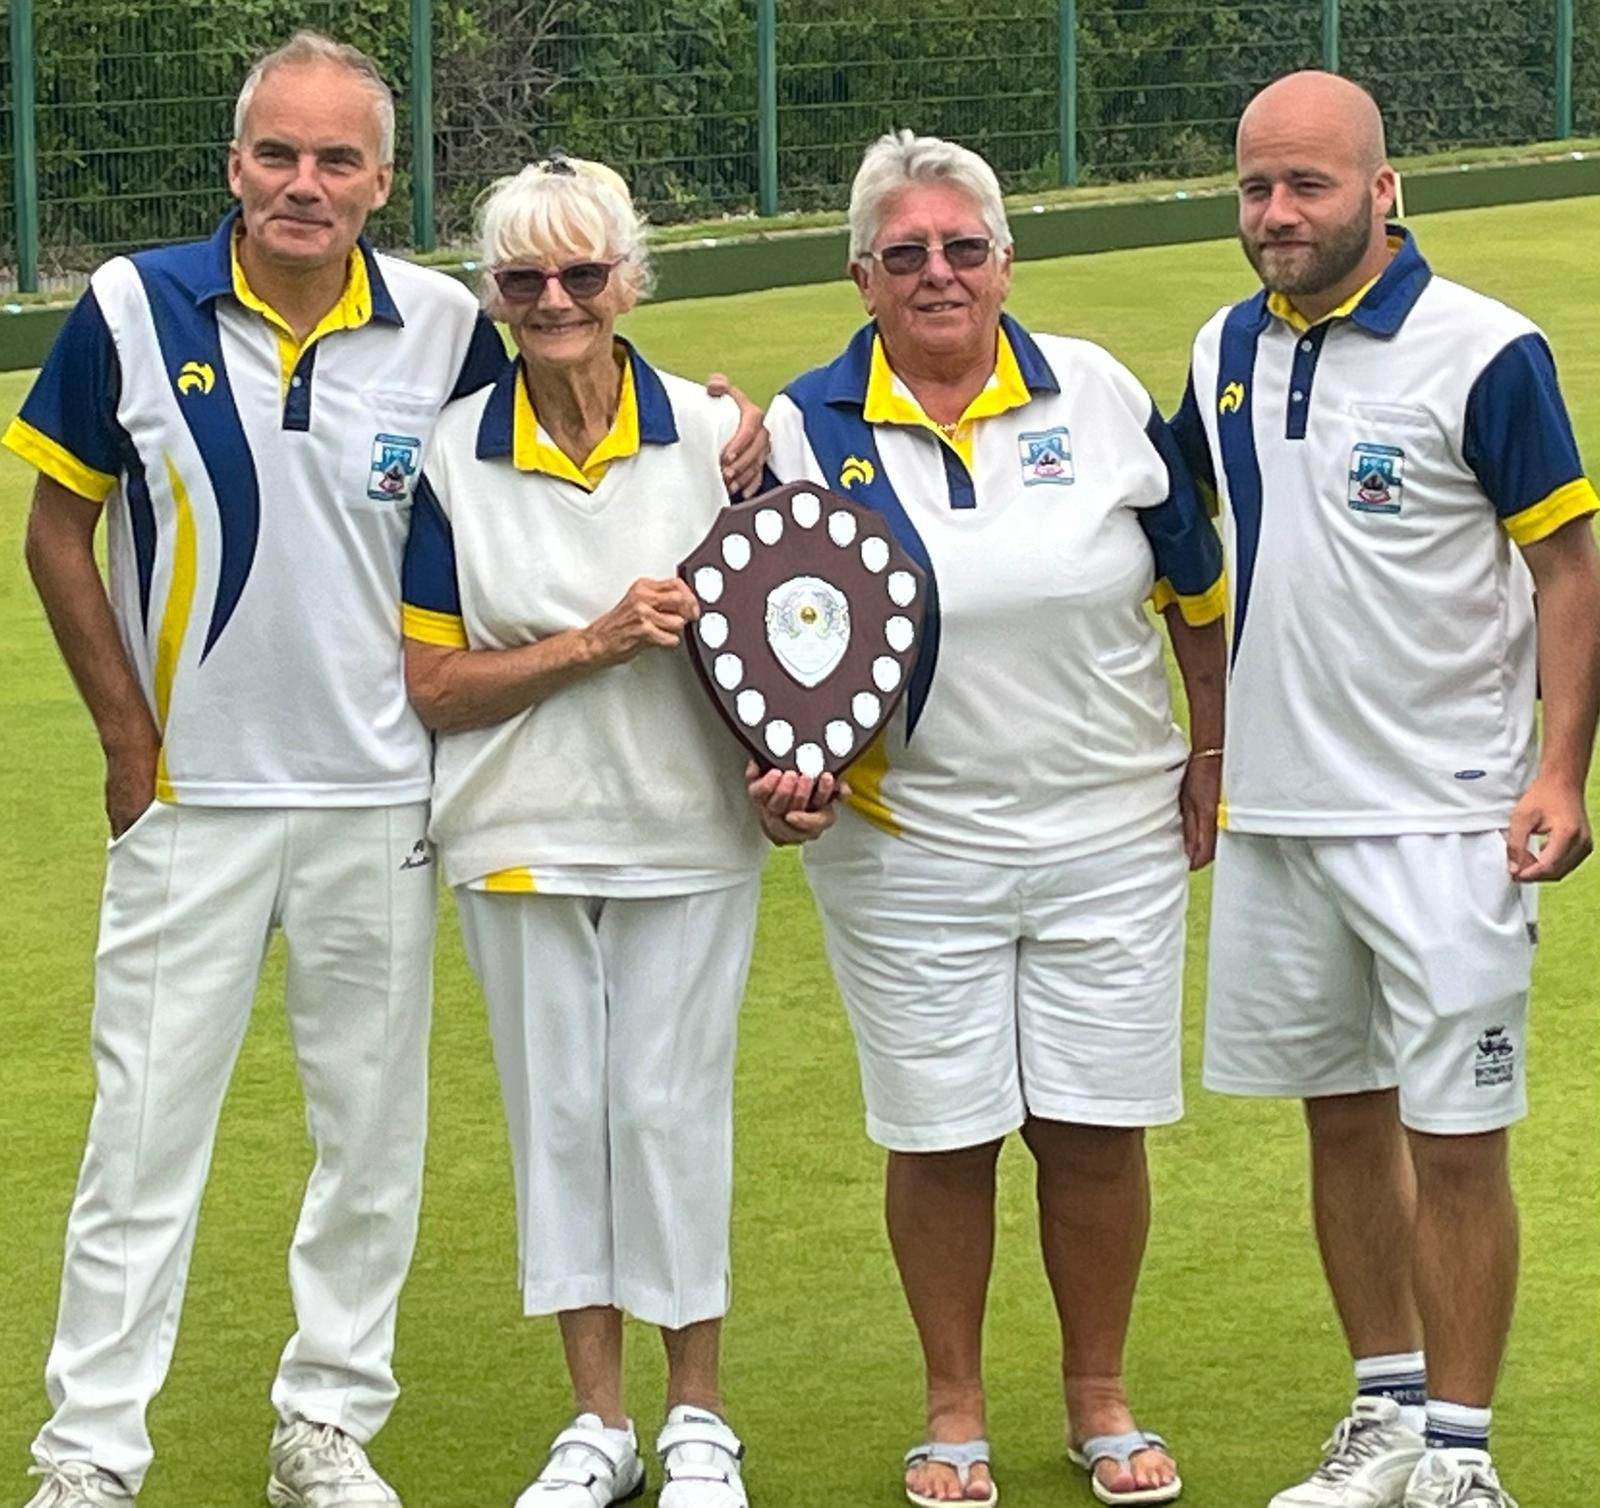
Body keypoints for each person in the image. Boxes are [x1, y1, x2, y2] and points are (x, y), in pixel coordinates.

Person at [4, 36, 766, 1508]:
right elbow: (57, 528)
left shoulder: (441, 325)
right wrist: (125, 738)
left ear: (383, 180)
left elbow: (580, 377)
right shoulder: (125, 306)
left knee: (370, 1140)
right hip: (197, 800)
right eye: (277, 155)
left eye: (337, 159)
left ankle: (326, 1423)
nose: (304, 184)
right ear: (234, 164)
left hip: (385, 798)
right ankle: (92, 1451)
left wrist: (729, 437)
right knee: (143, 1133)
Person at [764, 130, 1228, 1508]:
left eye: (963, 248)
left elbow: (1196, 593)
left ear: (1006, 260)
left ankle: (1100, 1398)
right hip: (908, 846)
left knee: (1093, 1128)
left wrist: (1215, 749)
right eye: (904, 254)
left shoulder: (1094, 392)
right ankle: (951, 1409)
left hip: (1111, 833)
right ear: (861, 276)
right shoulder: (801, 427)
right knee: (943, 1133)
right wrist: (789, 768)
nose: (938, 274)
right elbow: (764, 631)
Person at [1170, 70, 1600, 1508]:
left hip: (1447, 818)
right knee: (1341, 1119)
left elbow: (1570, 570)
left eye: (1307, 184)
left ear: (1384, 188)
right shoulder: (1218, 348)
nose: (1277, 213)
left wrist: (1559, 767)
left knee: (1457, 1137)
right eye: (1255, 187)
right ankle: (1389, 1421)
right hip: (1283, 820)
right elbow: (1138, 503)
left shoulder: (1487, 351)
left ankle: (1465, 1462)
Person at [399, 154, 819, 1508]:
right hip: (516, 830)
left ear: (629, 278)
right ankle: (600, 1422)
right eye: (525, 279)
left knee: (666, 1107)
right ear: (497, 294)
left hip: (689, 825)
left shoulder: (714, 434)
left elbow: (796, 635)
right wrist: (593, 641)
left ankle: (700, 1418)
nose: (556, 299)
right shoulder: (451, 460)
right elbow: (434, 686)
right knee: (561, 1118)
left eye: (583, 273)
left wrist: (794, 769)